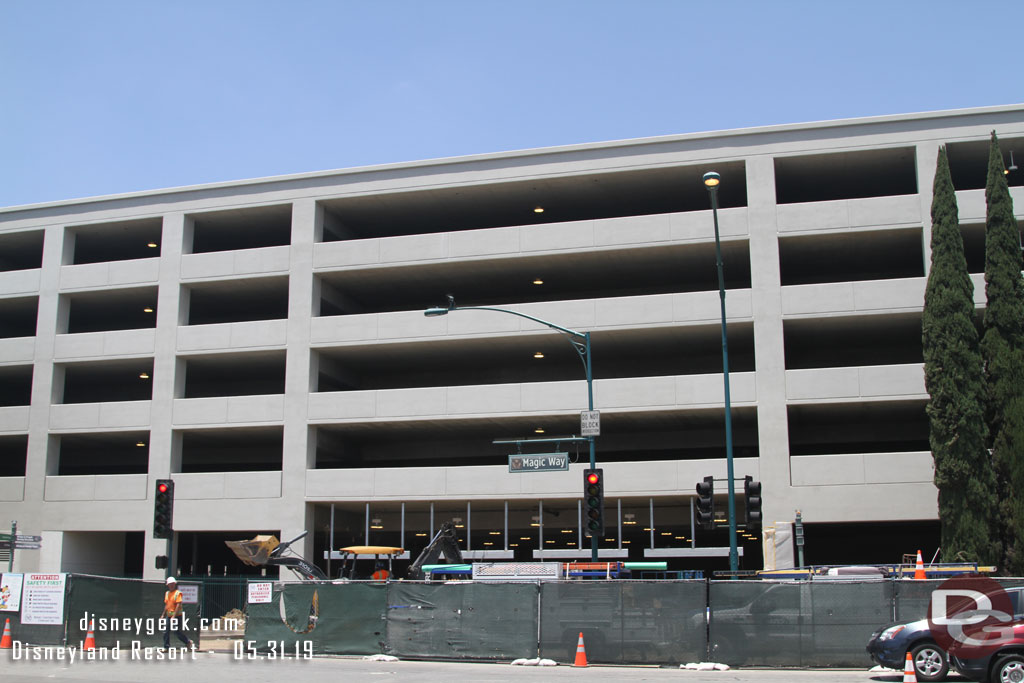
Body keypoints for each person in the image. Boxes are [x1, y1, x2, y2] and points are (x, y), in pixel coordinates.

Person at [162, 577, 193, 650]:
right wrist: (163, 614)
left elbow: (178, 605)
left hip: (177, 616)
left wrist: (174, 616)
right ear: (168, 585)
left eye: (173, 584)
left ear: (175, 584)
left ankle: (188, 641)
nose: (171, 585)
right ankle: (166, 647)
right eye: (170, 584)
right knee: (166, 631)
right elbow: (167, 605)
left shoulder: (178, 593)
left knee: (176, 632)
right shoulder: (167, 593)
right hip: (169, 616)